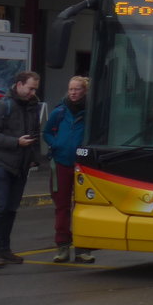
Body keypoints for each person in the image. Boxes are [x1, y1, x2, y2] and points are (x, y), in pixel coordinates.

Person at [0, 70, 43, 267]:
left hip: (20, 164)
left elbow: (35, 133)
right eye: (30, 88)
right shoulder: (4, 105)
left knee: (11, 208)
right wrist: (15, 142)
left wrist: (35, 158)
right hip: (1, 163)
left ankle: (4, 248)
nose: (32, 92)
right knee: (1, 206)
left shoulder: (33, 106)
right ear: (19, 85)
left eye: (35, 89)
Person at [43, 76, 92, 263]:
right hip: (61, 163)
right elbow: (46, 132)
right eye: (71, 89)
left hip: (83, 165)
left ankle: (83, 249)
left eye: (77, 89)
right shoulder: (59, 111)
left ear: (84, 91)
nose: (73, 92)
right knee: (62, 206)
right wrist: (55, 145)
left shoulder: (90, 112)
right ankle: (63, 247)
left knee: (84, 206)